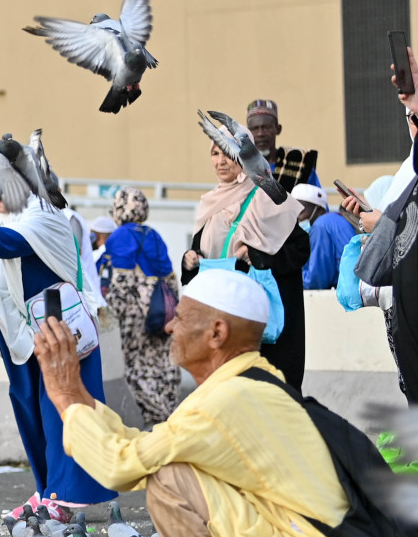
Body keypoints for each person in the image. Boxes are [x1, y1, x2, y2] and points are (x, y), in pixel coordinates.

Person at [35, 268, 368, 537]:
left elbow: (119, 466)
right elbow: (140, 447)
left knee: (166, 481)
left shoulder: (226, 400)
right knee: (172, 468)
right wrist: (77, 397)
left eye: (183, 316)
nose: (171, 323)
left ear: (216, 333)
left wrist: (65, 394)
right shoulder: (253, 380)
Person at [0, 193, 114, 514]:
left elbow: (10, 242)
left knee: (58, 408)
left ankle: (64, 495)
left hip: (55, 323)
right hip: (17, 331)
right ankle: (46, 490)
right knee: (29, 409)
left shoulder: (43, 212)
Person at [342, 47, 418, 406]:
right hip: (406, 309)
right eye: (413, 119)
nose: (416, 124)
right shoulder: (409, 168)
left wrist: (378, 222)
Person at [183, 139, 308, 389]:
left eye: (228, 154)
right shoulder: (210, 203)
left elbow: (300, 248)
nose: (220, 161)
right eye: (215, 153)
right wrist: (190, 261)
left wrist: (259, 256)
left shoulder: (267, 197)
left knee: (268, 396)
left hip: (262, 327)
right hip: (224, 320)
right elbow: (205, 254)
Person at [104, 187, 180, 426]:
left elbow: (122, 279)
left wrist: (110, 311)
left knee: (134, 364)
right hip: (163, 308)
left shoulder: (120, 236)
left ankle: (152, 416)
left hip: (135, 310)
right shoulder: (154, 234)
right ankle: (167, 413)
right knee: (160, 362)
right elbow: (170, 277)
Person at [291, 184, 356, 292]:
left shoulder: (321, 225)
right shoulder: (335, 220)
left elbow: (316, 281)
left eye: (300, 212)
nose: (296, 218)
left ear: (319, 210)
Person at [246, 99, 321, 190]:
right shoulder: (239, 166)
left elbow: (317, 201)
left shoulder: (301, 163)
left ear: (278, 129)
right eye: (255, 129)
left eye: (266, 127)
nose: (260, 134)